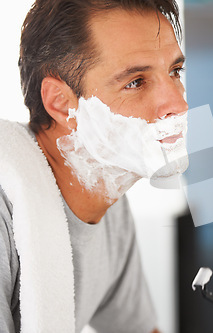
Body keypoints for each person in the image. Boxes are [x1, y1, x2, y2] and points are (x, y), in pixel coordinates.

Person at [0, 0, 187, 332]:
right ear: (61, 104)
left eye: (175, 71)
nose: (178, 103)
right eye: (136, 82)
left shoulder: (109, 200)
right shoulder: (5, 217)